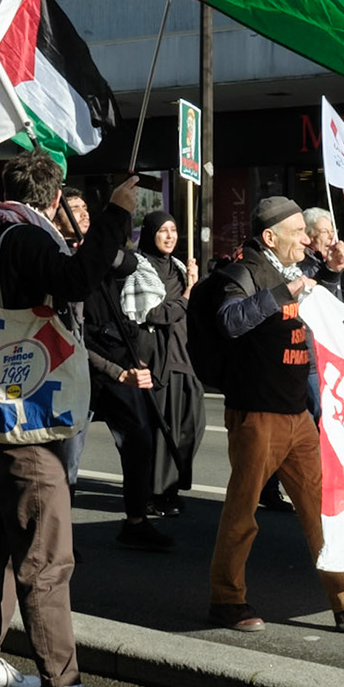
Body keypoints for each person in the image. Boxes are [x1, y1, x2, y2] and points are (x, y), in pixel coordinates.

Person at [0, 156, 140, 687]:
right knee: (47, 553)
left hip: (4, 400)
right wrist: (116, 214)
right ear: (53, 199)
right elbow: (77, 279)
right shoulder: (27, 236)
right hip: (27, 412)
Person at [207, 196, 344, 633]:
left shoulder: (293, 270)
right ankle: (226, 599)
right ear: (270, 237)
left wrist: (329, 272)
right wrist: (283, 292)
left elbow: (312, 308)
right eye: (298, 232)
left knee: (321, 510)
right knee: (242, 514)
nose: (306, 239)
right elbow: (231, 321)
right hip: (257, 414)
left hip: (296, 414)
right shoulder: (244, 271)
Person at [82, 214, 174, 553]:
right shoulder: (66, 261)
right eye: (75, 210)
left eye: (86, 213)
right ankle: (56, 533)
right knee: (67, 454)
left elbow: (127, 265)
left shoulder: (113, 259)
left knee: (139, 441)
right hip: (84, 366)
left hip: (120, 361)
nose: (82, 217)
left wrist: (131, 359)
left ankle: (136, 521)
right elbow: (75, 335)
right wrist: (116, 370)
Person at [119, 211, 205, 519]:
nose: (170, 236)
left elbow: (186, 310)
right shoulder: (139, 268)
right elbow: (153, 313)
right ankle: (155, 494)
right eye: (162, 231)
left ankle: (171, 486)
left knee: (191, 425)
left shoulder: (181, 268)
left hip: (184, 354)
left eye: (174, 230)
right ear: (150, 234)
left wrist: (193, 285)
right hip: (157, 358)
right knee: (161, 428)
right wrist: (187, 294)